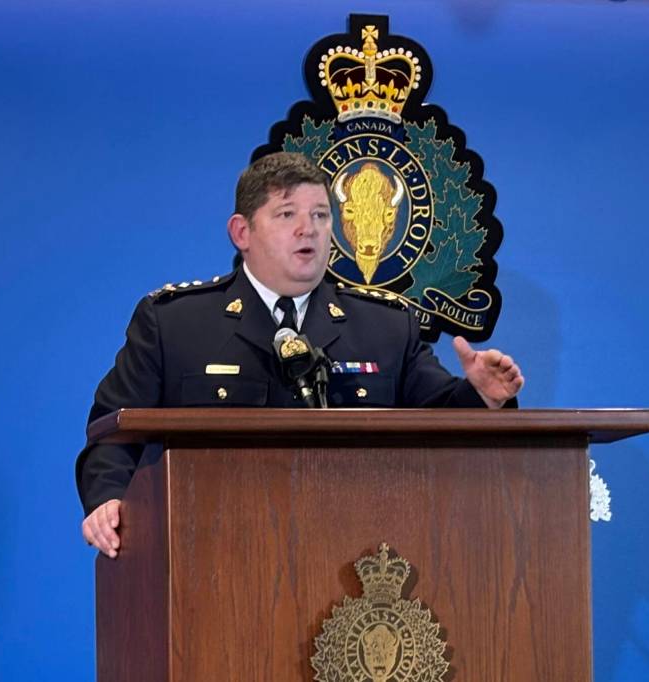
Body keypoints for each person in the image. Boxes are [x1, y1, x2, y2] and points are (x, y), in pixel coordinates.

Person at [77, 152, 524, 559]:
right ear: (241, 232)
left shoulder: (385, 326)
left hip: (356, 559)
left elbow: (443, 423)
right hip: (211, 556)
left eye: (320, 215)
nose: (307, 229)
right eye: (286, 214)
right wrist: (110, 501)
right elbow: (113, 436)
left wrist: (482, 396)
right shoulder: (175, 324)